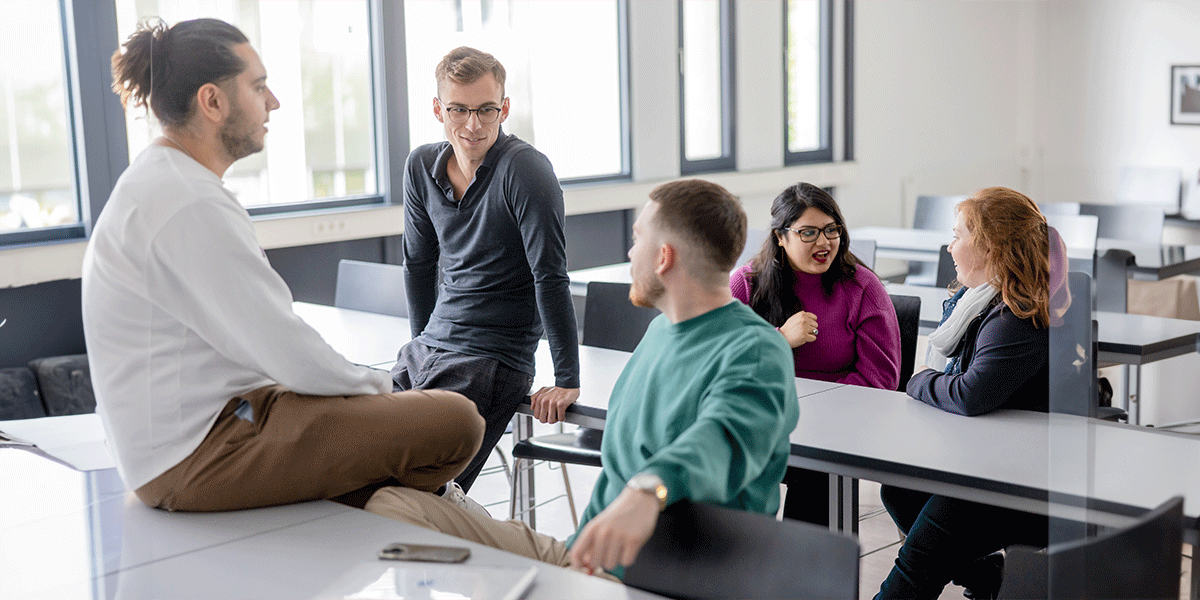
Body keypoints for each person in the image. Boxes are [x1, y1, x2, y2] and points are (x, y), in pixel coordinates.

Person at [83, 18, 484, 513]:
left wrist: (360, 399)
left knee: (391, 426)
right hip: (198, 456)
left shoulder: (163, 182)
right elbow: (283, 346)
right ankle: (422, 507)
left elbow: (270, 350)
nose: (273, 102)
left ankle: (394, 505)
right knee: (457, 422)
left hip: (222, 421)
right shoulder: (187, 201)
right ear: (212, 102)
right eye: (258, 86)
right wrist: (381, 392)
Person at [365, 179, 799, 578]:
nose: (632, 254)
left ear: (664, 256)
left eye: (637, 240)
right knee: (393, 504)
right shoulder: (660, 332)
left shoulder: (757, 351)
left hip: (665, 580)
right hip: (582, 561)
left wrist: (649, 489)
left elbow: (722, 438)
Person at [393, 46, 579, 493]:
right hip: (429, 352)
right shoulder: (421, 165)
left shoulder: (525, 170)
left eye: (486, 110)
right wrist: (423, 341)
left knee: (419, 492)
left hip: (490, 360)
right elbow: (419, 264)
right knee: (360, 466)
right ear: (439, 109)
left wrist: (567, 378)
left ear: (504, 108)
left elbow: (549, 276)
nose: (473, 125)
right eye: (459, 109)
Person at [875, 187, 1059, 600]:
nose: (949, 246)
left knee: (919, 559)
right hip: (987, 460)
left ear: (990, 247)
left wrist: (917, 380)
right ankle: (985, 575)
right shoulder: (975, 301)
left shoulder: (1016, 314)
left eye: (958, 236)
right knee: (900, 491)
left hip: (1020, 478)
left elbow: (969, 394)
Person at [730, 182, 900, 526]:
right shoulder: (747, 284)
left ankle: (805, 573)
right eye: (808, 232)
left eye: (831, 230)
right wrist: (780, 339)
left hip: (835, 428)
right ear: (781, 236)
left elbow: (880, 379)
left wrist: (814, 411)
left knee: (816, 474)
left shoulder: (863, 287)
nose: (824, 243)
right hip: (763, 419)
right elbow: (722, 362)